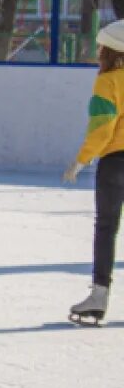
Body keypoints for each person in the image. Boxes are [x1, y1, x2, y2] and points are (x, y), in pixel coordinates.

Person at [64, 20, 124, 325]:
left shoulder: (109, 81)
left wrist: (82, 159)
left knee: (107, 227)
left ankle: (99, 296)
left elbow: (103, 128)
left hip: (117, 161)